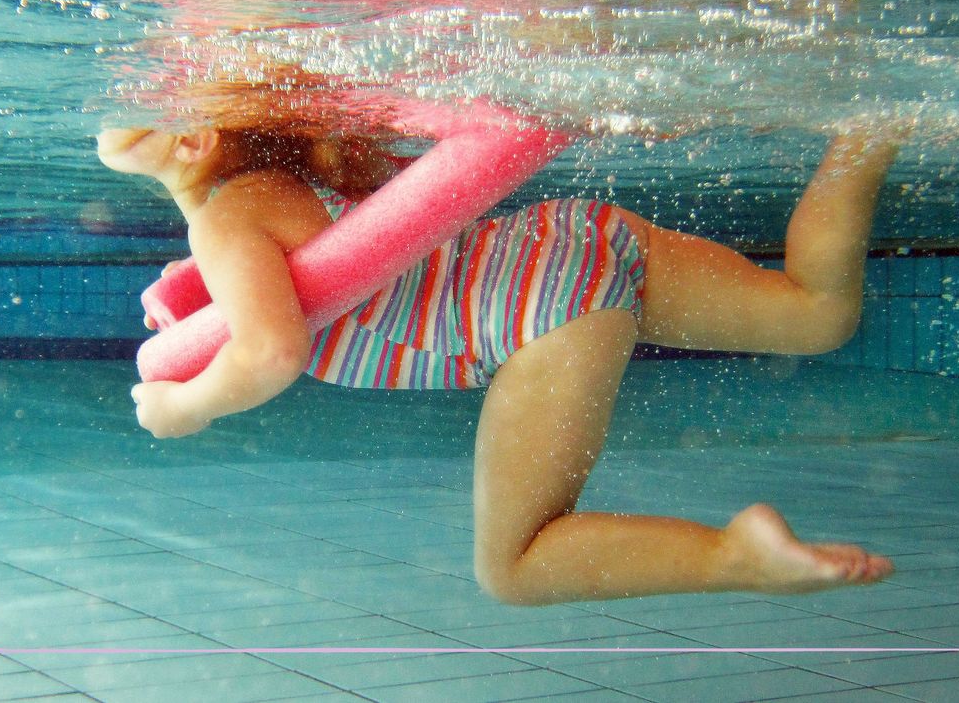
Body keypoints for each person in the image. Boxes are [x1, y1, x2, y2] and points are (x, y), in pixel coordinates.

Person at [96, 63, 904, 605]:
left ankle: (736, 555)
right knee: (817, 310)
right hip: (566, 239)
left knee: (514, 566)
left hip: (535, 318)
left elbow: (271, 351)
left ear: (195, 140)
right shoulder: (282, 188)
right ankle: (870, 132)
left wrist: (189, 407)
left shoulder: (229, 220)